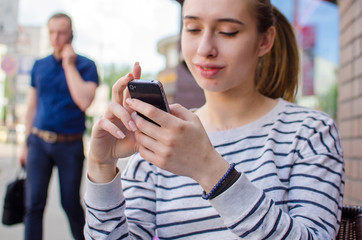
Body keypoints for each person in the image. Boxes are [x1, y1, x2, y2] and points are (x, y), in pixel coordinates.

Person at [84, 0, 344, 239]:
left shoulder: (310, 132)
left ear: (265, 41)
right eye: (193, 28)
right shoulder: (158, 142)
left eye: (228, 31)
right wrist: (101, 168)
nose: (205, 48)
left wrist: (208, 168)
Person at [19, 12, 99, 240]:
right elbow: (32, 106)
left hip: (70, 145)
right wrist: (25, 144)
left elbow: (84, 100)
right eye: (52, 32)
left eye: (61, 32)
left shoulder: (86, 65)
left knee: (71, 204)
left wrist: (69, 64)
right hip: (38, 143)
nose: (56, 37)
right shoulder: (39, 65)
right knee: (33, 205)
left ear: (71, 34)